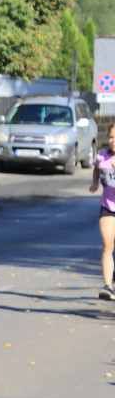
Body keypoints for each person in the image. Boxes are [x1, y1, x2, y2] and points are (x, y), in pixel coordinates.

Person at [90, 123, 115, 301]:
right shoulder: (102, 157)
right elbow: (97, 168)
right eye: (111, 137)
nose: (113, 141)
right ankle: (108, 287)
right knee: (107, 245)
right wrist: (95, 183)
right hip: (108, 207)